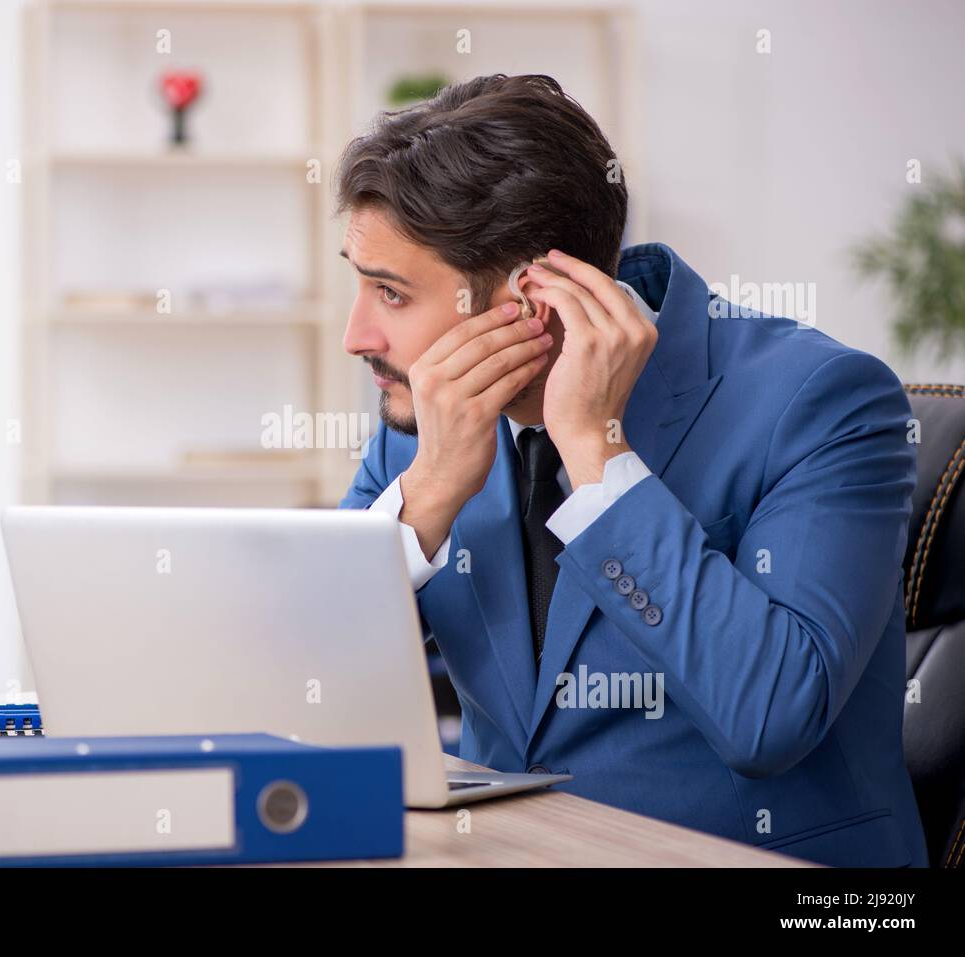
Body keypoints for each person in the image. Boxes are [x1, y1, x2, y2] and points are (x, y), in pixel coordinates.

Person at [336, 73, 927, 867]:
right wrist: (432, 493)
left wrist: (598, 454)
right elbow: (310, 687)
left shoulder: (822, 403)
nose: (356, 333)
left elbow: (769, 718)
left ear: (527, 303)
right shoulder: (419, 424)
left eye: (390, 293)